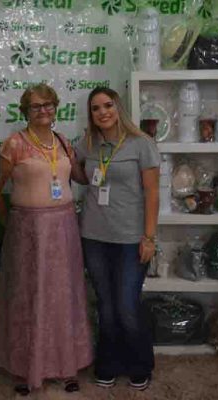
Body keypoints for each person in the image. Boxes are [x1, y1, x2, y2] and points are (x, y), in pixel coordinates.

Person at [0, 83, 93, 396]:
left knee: (63, 297)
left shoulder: (63, 142)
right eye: (36, 106)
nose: (43, 111)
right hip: (28, 231)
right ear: (26, 111)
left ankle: (66, 367)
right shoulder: (14, 144)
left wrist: (100, 149)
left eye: (48, 105)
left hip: (64, 228)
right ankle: (25, 369)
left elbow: (81, 177)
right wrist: (12, 223)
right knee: (27, 297)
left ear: (55, 108)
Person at [74, 87, 160, 391]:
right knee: (106, 305)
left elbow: (152, 193)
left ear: (118, 108)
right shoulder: (87, 144)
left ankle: (140, 364)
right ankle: (108, 363)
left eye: (108, 105)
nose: (103, 112)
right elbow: (81, 176)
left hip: (130, 238)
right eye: (96, 108)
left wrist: (149, 237)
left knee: (126, 305)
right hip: (94, 236)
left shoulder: (141, 143)